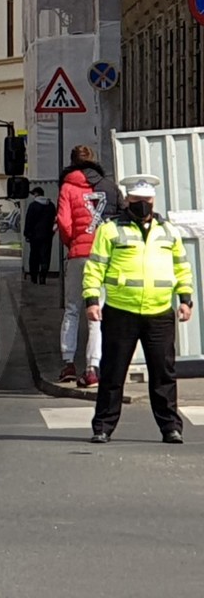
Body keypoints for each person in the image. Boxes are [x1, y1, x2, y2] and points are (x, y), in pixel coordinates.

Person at [83, 174, 194, 444]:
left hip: (159, 313)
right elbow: (95, 267)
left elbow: (182, 267)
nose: (142, 205)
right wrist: (92, 300)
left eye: (146, 201)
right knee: (112, 372)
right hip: (122, 311)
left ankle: (170, 428)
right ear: (128, 201)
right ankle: (103, 428)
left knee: (163, 373)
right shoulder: (110, 230)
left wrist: (185, 299)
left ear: (153, 201)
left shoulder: (167, 231)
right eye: (136, 201)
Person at [55, 144, 126, 387]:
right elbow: (123, 218)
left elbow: (64, 223)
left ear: (72, 162)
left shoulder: (67, 187)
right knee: (96, 311)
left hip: (78, 254)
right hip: (104, 256)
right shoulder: (109, 186)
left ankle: (68, 365)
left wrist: (71, 243)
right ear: (93, 160)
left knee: (72, 308)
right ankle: (93, 368)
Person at [23, 187, 56, 284]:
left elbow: (28, 221)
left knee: (34, 256)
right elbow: (54, 220)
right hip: (47, 236)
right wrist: (52, 232)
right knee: (45, 256)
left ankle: (34, 277)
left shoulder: (33, 206)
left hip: (34, 236)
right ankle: (43, 277)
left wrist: (27, 234)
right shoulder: (51, 205)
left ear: (36, 194)